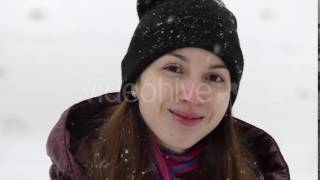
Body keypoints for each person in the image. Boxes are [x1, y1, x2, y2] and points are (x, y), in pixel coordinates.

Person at [46, 0, 290, 179]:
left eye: (214, 77)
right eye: (174, 69)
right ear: (135, 83)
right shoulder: (80, 165)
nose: (192, 95)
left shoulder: (258, 172)